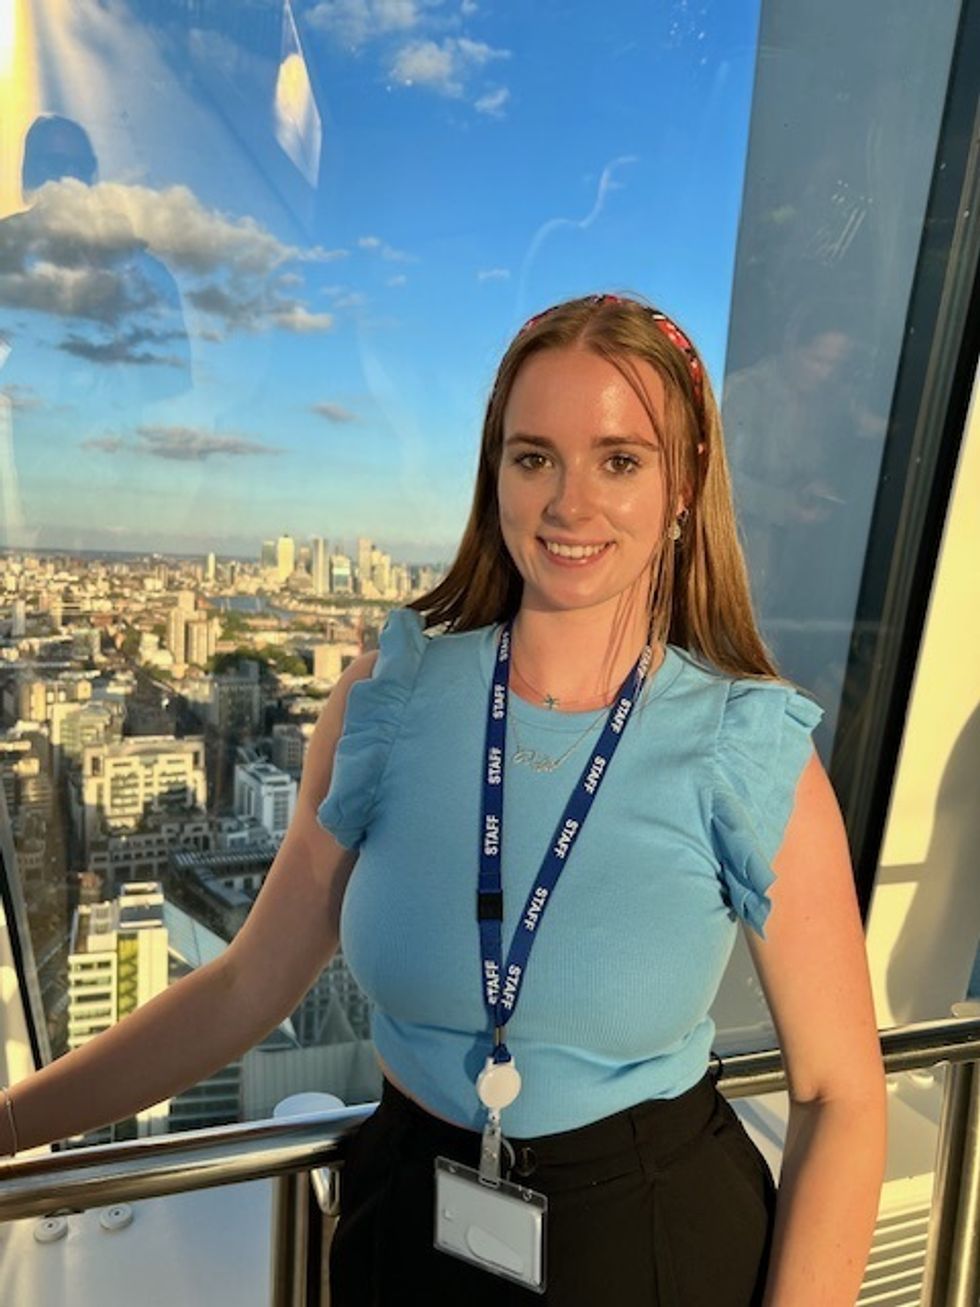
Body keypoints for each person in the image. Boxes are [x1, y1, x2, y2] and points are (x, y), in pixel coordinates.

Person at [1, 293, 886, 1305]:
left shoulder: (742, 744)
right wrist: (15, 1123)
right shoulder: (389, 702)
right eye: (532, 455)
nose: (568, 502)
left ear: (682, 483)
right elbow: (247, 986)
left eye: (618, 458)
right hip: (402, 1232)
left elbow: (837, 1095)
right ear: (493, 474)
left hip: (651, 1240)